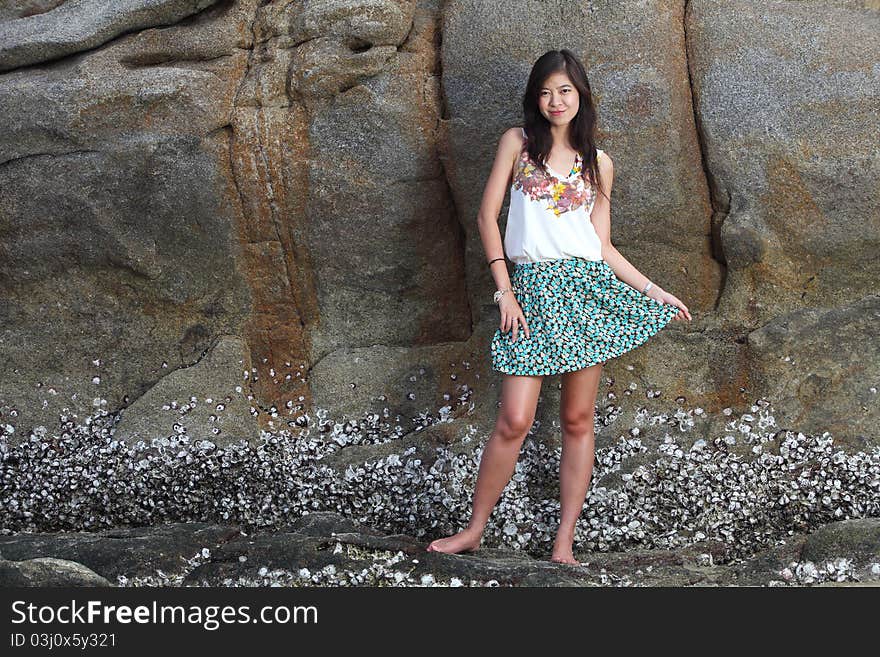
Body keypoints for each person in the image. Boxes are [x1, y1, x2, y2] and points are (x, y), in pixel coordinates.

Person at [426, 49, 692, 566]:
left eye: (565, 90)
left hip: (586, 292)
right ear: (535, 96)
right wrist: (506, 291)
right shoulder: (517, 144)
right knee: (514, 419)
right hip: (527, 290)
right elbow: (486, 218)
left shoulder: (600, 164)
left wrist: (654, 291)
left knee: (577, 418)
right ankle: (474, 529)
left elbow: (604, 247)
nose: (555, 100)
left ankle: (564, 542)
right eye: (546, 91)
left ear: (581, 96)